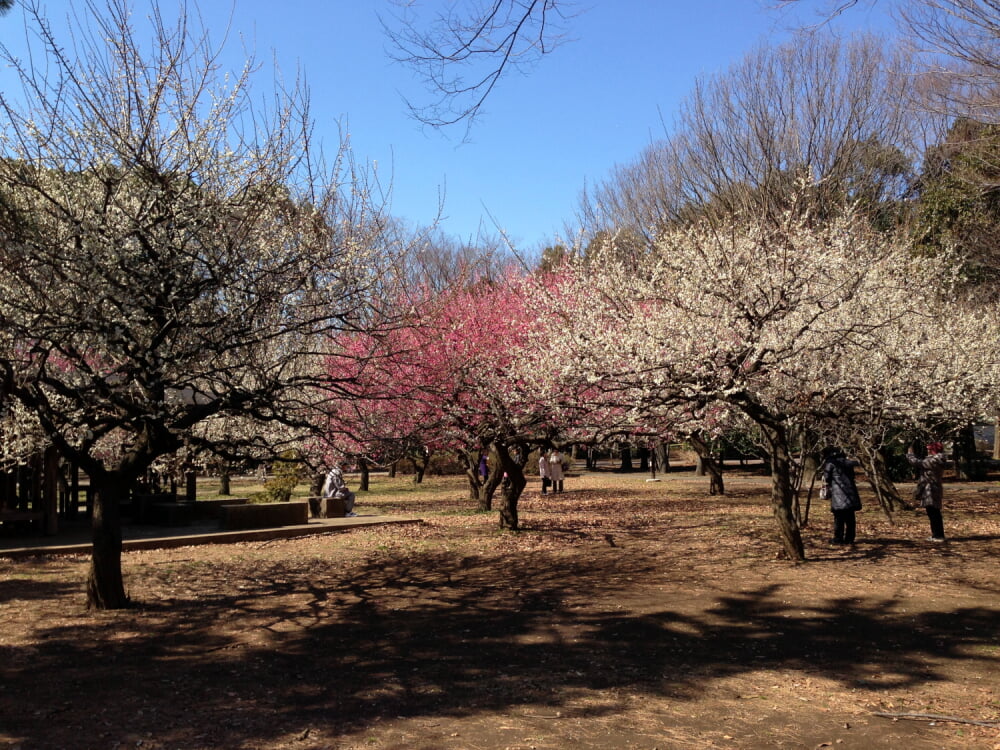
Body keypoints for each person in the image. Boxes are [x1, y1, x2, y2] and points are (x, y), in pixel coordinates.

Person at [907, 441, 948, 542]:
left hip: (932, 488)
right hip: (930, 488)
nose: (928, 450)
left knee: (934, 512)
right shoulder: (935, 459)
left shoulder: (935, 460)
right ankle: (936, 534)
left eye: (929, 449)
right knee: (931, 512)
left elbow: (918, 463)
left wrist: (910, 454)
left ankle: (938, 535)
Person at [821, 447, 863, 545]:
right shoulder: (848, 463)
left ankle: (838, 538)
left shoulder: (830, 463)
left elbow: (826, 478)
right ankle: (850, 539)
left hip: (837, 493)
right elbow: (852, 475)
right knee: (850, 518)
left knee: (839, 518)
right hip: (850, 493)